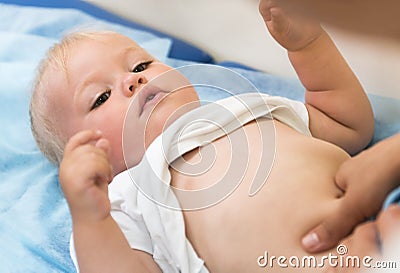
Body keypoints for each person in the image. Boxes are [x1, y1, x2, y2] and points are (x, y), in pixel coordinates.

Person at [29, 0, 377, 272]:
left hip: (378, 231)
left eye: (140, 66)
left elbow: (347, 126)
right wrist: (89, 216)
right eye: (100, 98)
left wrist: (309, 46)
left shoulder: (244, 107)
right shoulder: (123, 200)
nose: (132, 81)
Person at [259, 0, 400, 259]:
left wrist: (307, 46)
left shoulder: (246, 113)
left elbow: (343, 122)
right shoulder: (158, 194)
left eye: (156, 63)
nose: (156, 76)